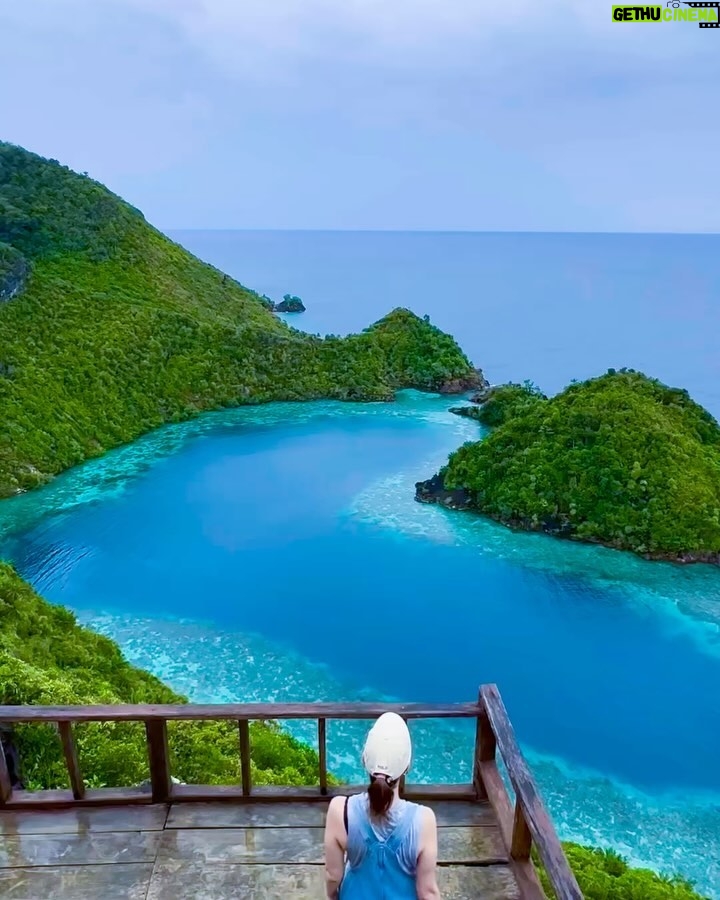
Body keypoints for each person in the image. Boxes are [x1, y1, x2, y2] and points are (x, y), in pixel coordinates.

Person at [324, 712, 441, 900]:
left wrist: (332, 896)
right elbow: (428, 892)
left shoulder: (340, 810)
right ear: (407, 767)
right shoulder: (424, 819)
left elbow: (333, 876)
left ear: (364, 761)